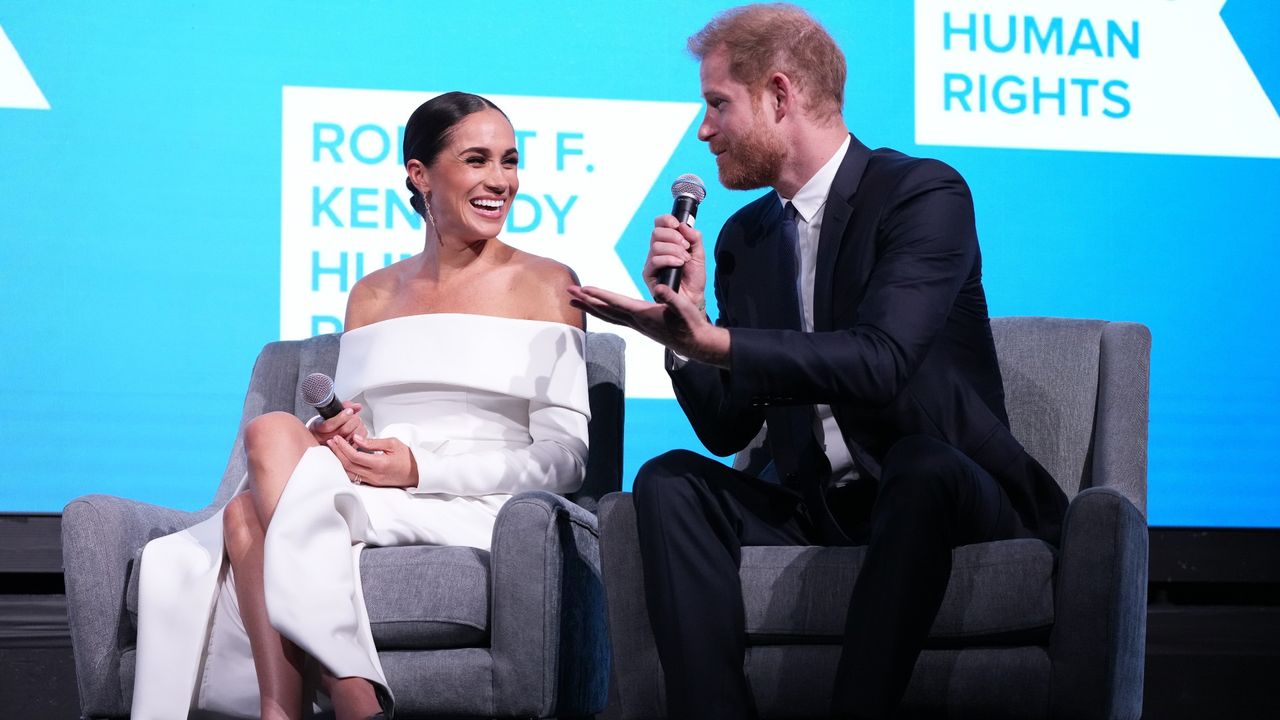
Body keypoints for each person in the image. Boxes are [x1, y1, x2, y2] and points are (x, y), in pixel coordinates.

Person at [568, 5, 1069, 718]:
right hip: (818, 501)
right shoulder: (747, 237)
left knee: (920, 468)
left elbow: (883, 361)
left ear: (780, 94)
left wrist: (717, 343)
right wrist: (687, 339)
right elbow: (727, 431)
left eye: (717, 105)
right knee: (671, 479)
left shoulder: (922, 194)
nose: (704, 130)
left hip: (951, 490)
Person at [131, 92, 590, 720]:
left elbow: (566, 461)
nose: (499, 181)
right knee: (272, 436)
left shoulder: (549, 284)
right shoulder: (372, 294)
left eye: (509, 162)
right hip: (374, 487)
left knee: (248, 518)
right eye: (477, 160)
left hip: (484, 504)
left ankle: (331, 701)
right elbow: (357, 428)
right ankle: (333, 700)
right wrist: (350, 440)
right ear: (419, 173)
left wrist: (420, 469)